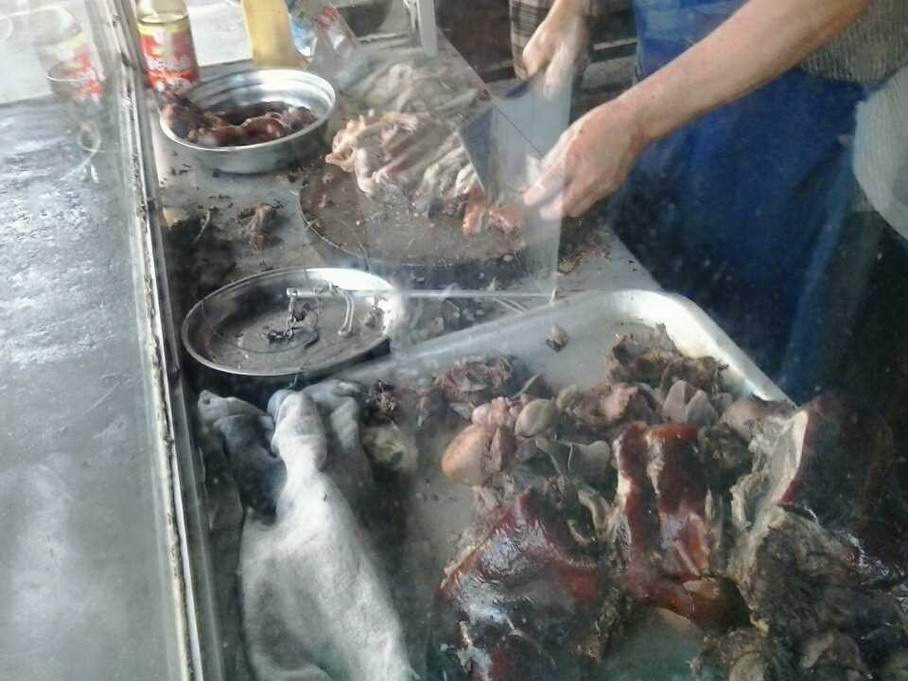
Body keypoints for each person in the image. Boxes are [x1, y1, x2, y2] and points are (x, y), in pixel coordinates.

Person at [517, 0, 908, 400]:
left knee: (748, 386)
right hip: (666, 82)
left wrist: (634, 120)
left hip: (808, 113)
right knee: (637, 340)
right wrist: (574, 8)